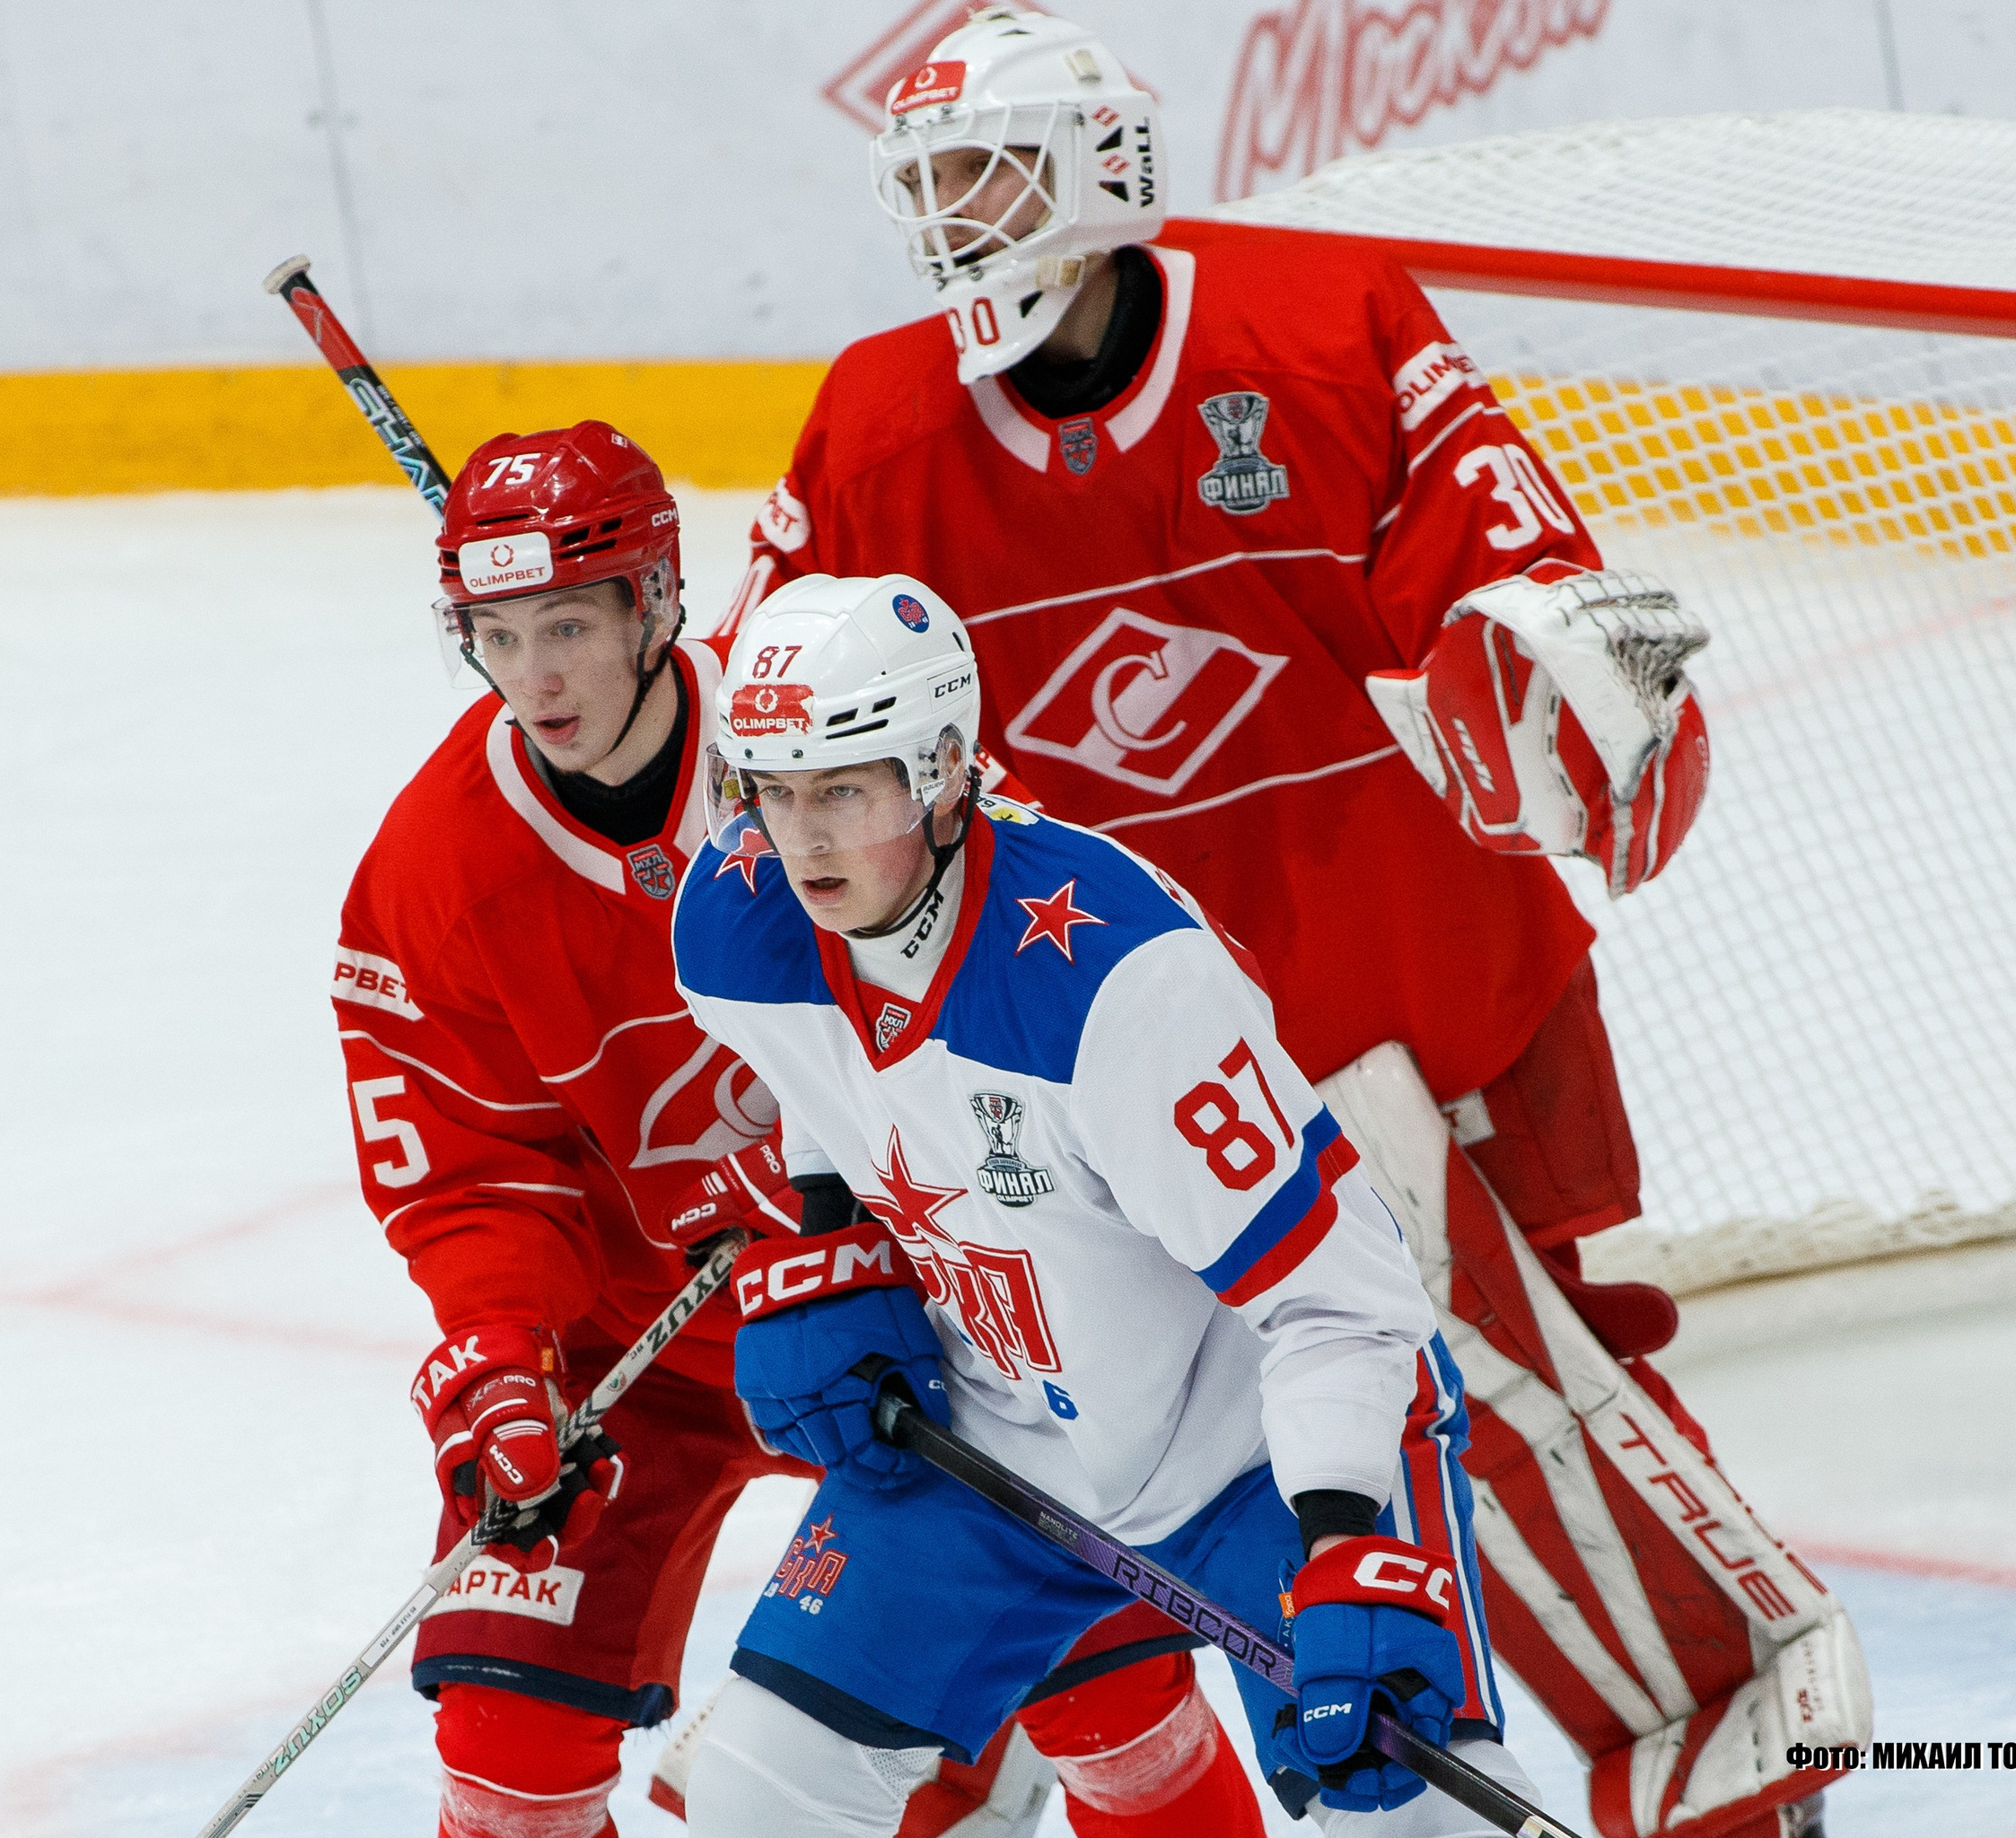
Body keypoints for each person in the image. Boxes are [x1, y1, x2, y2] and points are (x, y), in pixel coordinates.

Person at [723, 12, 1870, 1838]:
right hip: (1080, 1074)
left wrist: (1555, 670)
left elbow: (1503, 578)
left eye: (982, 173)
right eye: (922, 184)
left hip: (1406, 1002)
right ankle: (996, 1759)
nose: (949, 222)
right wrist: (816, 1206)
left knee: (1508, 1405)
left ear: (1102, 173)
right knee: (1044, 1406)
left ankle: (1715, 1756)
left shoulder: (1318, 326)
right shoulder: (875, 427)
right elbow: (767, 767)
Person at [332, 419, 1259, 1838]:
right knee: (506, 1754)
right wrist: (503, 1367)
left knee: (1115, 1702)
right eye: (499, 634)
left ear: (655, 604)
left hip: (925, 1309)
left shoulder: (821, 738)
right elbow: (468, 1172)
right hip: (640, 1351)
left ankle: (971, 1738)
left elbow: (1005, 974)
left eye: (569, 625)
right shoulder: (430, 873)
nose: (536, 678)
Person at [668, 570, 1540, 1837]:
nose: (800, 840)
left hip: (1255, 1451)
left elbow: (1343, 1303)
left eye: (845, 789)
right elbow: (830, 1074)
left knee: (1404, 1814)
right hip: (996, 1431)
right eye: (775, 789)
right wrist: (837, 1232)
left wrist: (1347, 1533)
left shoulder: (1117, 985)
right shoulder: (739, 925)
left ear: (947, 767)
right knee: (759, 1797)